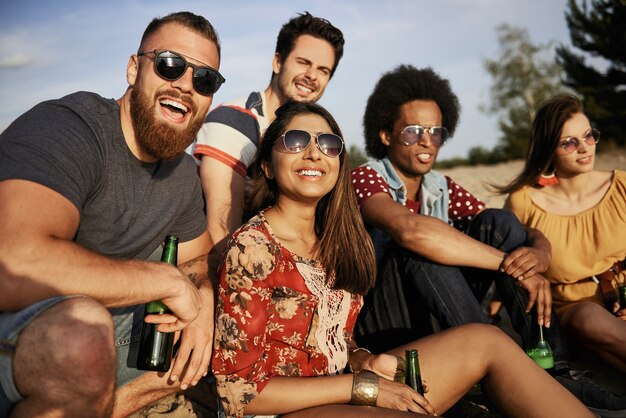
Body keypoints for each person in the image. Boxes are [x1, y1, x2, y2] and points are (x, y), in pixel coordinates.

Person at [210, 100, 591, 418]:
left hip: (343, 383)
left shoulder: (334, 239)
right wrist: (364, 387)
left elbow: (333, 334)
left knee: (486, 340)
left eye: (328, 144)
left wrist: (361, 359)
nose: (314, 152)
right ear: (266, 166)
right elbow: (237, 390)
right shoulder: (254, 248)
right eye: (295, 141)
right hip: (287, 408)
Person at [350, 65, 626, 416]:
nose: (426, 141)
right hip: (383, 317)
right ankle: (501, 360)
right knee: (422, 247)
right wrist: (509, 266)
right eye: (413, 131)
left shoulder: (442, 186)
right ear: (386, 136)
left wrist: (539, 254)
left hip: (433, 306)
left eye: (436, 132)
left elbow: (517, 231)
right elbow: (411, 231)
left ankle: (554, 367)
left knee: (500, 222)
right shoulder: (365, 177)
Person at [0, 11, 224, 417]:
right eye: (170, 64)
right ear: (133, 68)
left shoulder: (182, 173)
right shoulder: (68, 129)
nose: (186, 85)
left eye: (205, 79)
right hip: (25, 328)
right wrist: (168, 282)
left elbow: (197, 260)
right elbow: (13, 261)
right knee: (80, 334)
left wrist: (203, 299)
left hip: (112, 332)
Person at [193, 11, 344, 253]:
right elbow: (222, 225)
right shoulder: (235, 120)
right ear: (277, 62)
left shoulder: (319, 133)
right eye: (303, 62)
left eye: (323, 70)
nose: (312, 76)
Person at [500, 94, 626, 373]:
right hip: (574, 314)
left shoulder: (621, 186)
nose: (584, 148)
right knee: (588, 318)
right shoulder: (524, 201)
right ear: (549, 150)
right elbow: (508, 269)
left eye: (589, 136)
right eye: (569, 143)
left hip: (623, 300)